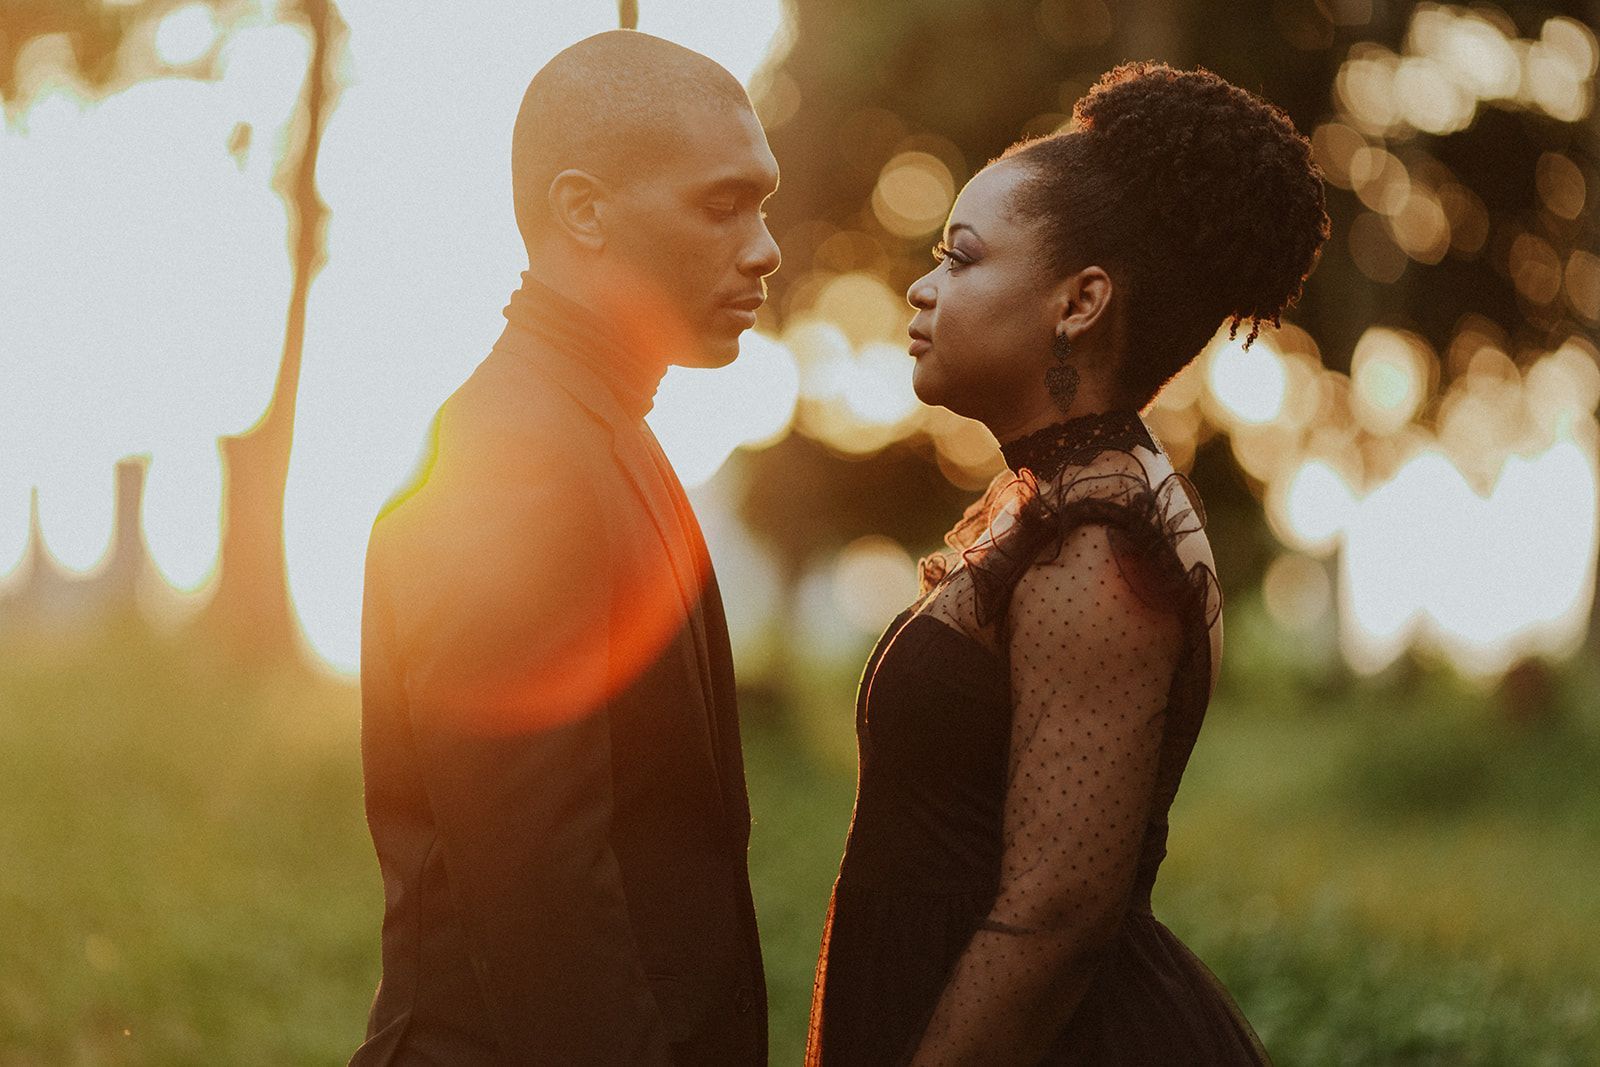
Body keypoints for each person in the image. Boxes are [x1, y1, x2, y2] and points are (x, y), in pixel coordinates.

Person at [807, 62, 1329, 1065]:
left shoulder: (1097, 544)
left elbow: (1056, 915)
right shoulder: (1064, 498)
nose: (922, 284)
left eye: (961, 258)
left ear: (1079, 301)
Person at [352, 30, 780, 1065]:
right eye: (722, 205)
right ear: (582, 208)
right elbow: (539, 890)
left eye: (763, 204)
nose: (764, 246)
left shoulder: (602, 426)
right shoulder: (514, 456)